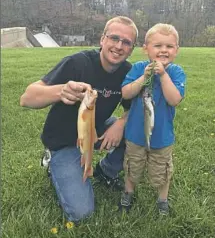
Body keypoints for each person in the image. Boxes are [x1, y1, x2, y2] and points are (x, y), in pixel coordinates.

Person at [20, 16, 138, 223]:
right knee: (82, 213)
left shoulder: (128, 73)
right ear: (102, 39)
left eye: (126, 42)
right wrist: (60, 90)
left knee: (139, 127)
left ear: (132, 48)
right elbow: (27, 98)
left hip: (95, 132)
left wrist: (120, 123)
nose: (119, 46)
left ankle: (105, 171)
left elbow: (134, 109)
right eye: (114, 38)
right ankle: (53, 162)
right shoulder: (77, 63)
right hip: (63, 142)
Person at [118, 23, 186, 215]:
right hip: (135, 135)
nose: (164, 50)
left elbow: (174, 100)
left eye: (169, 46)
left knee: (161, 172)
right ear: (146, 49)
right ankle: (128, 193)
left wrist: (163, 75)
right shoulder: (138, 68)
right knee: (132, 167)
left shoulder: (176, 72)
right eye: (158, 46)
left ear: (176, 50)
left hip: (162, 138)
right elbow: (126, 93)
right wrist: (143, 78)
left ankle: (162, 200)